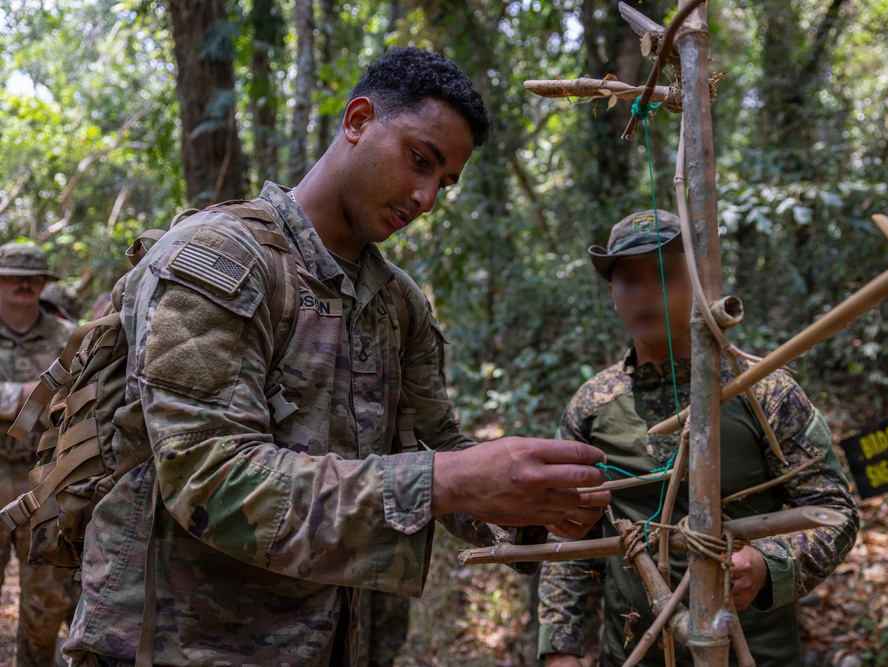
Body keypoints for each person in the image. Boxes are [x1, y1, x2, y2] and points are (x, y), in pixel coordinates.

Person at [63, 47, 610, 666]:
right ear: (356, 121)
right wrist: (452, 480)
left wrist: (529, 504)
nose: (426, 197)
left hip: (322, 642)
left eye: (444, 182)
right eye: (420, 159)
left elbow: (431, 447)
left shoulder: (397, 302)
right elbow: (207, 476)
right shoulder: (220, 260)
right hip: (172, 645)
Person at [537, 210, 860, 666]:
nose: (646, 294)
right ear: (612, 293)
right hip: (632, 653)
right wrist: (560, 649)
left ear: (701, 283)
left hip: (752, 653)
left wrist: (769, 564)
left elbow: (835, 513)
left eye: (665, 275)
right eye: (629, 280)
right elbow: (567, 537)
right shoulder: (592, 405)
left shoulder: (764, 388)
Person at [0, 243, 81, 667]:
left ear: (46, 284)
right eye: (12, 276)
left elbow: (87, 398)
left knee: (48, 600)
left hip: (46, 477)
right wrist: (24, 395)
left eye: (32, 278)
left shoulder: (69, 337)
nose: (23, 284)